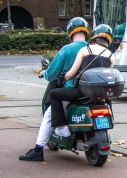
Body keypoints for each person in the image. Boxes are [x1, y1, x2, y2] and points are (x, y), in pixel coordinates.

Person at [19, 17, 90, 162]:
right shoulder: (91, 48)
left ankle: (38, 150)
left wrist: (44, 73)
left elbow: (52, 73)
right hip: (88, 91)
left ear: (70, 33)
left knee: (48, 115)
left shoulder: (67, 49)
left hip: (70, 90)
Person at [48, 24, 116, 139]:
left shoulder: (85, 50)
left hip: (81, 92)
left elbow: (71, 73)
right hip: (100, 94)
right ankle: (111, 120)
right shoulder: (111, 56)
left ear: (94, 37)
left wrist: (64, 77)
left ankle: (62, 127)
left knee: (53, 95)